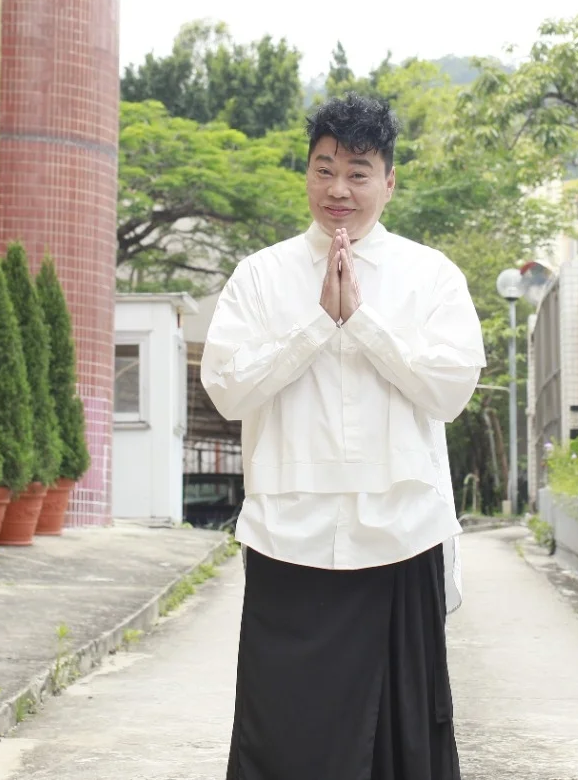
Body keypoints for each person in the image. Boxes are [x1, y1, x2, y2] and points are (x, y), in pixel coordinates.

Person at [203, 93, 486, 780]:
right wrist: (315, 327)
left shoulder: (431, 276)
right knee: (281, 738)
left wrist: (362, 323)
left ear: (389, 182)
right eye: (324, 169)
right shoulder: (260, 276)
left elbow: (450, 391)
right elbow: (227, 389)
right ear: (306, 173)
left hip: (400, 534)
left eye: (358, 172)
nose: (338, 189)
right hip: (288, 536)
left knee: (401, 743)